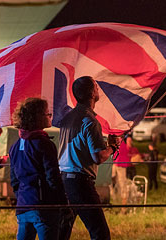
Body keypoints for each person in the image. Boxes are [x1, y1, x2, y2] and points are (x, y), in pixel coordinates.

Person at [57, 76, 120, 240]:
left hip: (64, 180)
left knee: (62, 231)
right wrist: (112, 147)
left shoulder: (68, 118)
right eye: (96, 86)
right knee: (100, 233)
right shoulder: (90, 121)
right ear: (92, 93)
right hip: (80, 183)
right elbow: (98, 156)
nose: (98, 89)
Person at [9, 97, 72, 240]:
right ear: (36, 118)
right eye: (47, 114)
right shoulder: (44, 144)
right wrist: (63, 204)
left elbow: (15, 180)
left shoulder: (15, 146)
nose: (50, 117)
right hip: (44, 206)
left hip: (23, 206)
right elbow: (53, 177)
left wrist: (22, 198)